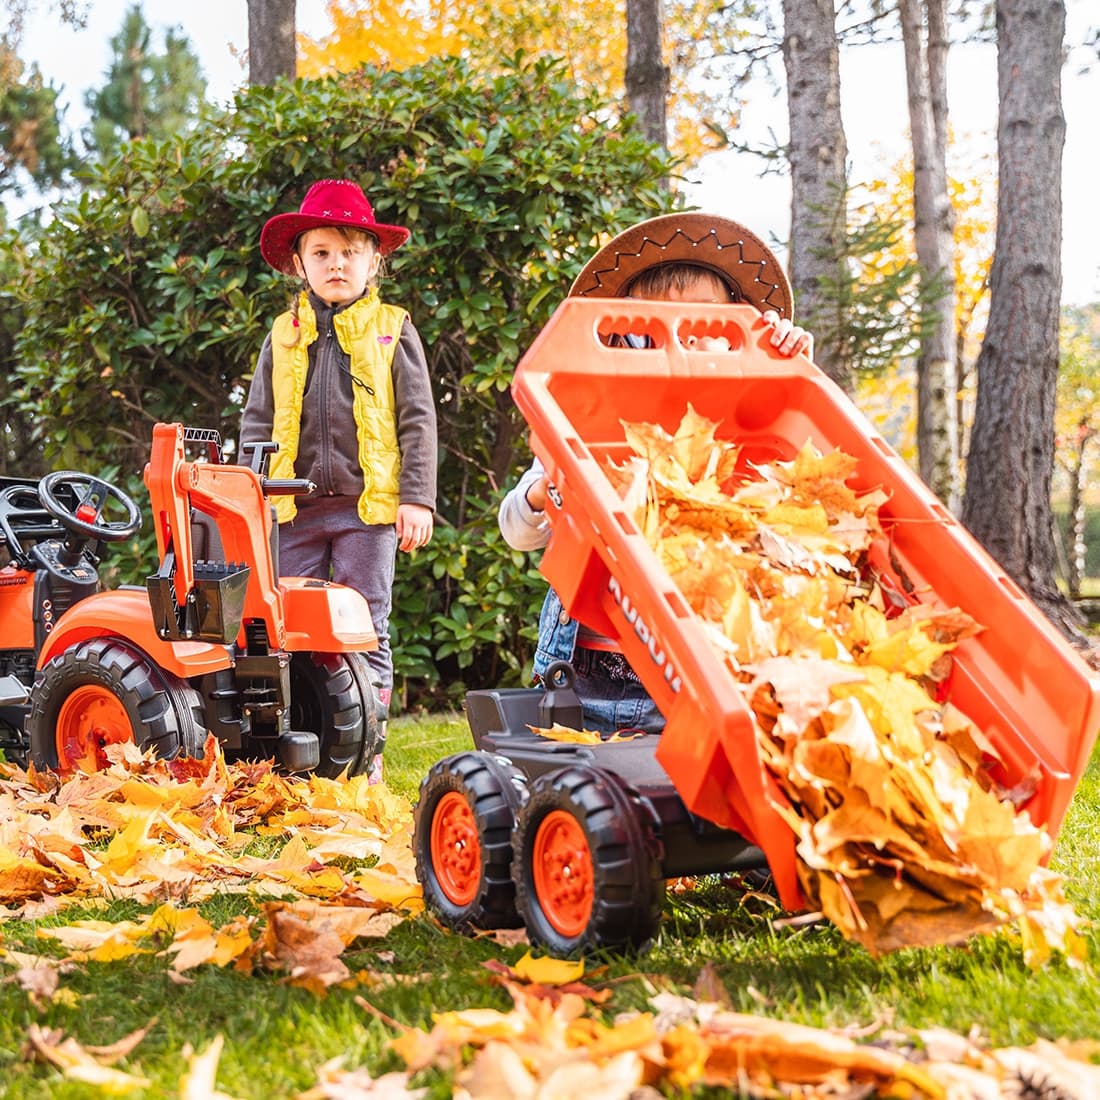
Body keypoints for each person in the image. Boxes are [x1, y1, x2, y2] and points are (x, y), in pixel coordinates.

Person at [498, 212, 813, 735]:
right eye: (656, 324)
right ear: (625, 336)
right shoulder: (588, 411)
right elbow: (518, 529)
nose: (681, 340)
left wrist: (783, 362)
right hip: (580, 677)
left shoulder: (746, 416)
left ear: (735, 331)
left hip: (693, 676)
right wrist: (542, 492)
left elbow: (788, 464)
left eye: (705, 325)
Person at [240, 178, 437, 776]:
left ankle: (368, 754)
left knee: (364, 628)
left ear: (374, 261)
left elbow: (417, 418)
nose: (336, 264)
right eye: (321, 253)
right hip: (290, 510)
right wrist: (252, 493)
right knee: (290, 629)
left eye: (350, 251)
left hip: (367, 511)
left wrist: (418, 499)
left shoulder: (392, 329)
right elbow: (257, 421)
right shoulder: (282, 335)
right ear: (299, 263)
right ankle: (302, 751)